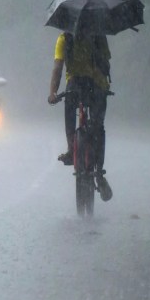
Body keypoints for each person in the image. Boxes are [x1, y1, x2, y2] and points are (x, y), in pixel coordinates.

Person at [48, 32, 113, 201]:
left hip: (77, 84)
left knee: (70, 108)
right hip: (96, 84)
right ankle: (99, 172)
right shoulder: (99, 35)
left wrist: (53, 93)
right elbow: (106, 64)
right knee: (98, 126)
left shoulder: (65, 38)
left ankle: (72, 149)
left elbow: (58, 67)